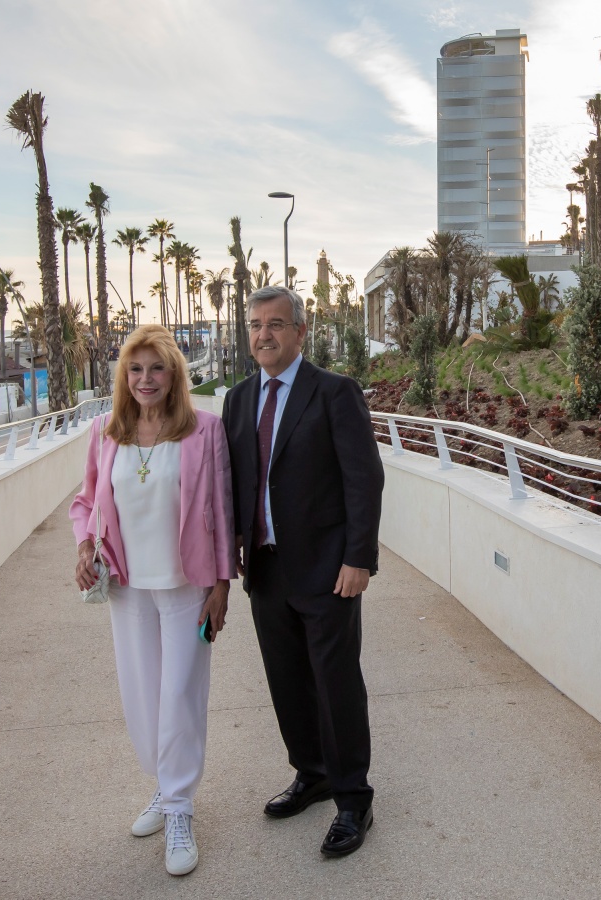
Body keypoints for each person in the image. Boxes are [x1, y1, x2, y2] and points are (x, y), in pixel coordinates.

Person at [221, 285, 384, 858]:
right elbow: (237, 481)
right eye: (255, 325)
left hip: (327, 570)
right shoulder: (238, 400)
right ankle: (311, 773)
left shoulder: (334, 392)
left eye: (275, 324)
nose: (263, 334)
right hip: (265, 568)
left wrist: (359, 557)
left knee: (336, 684)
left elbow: (364, 478)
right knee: (287, 681)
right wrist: (232, 546)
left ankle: (352, 798)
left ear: (299, 332)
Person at [71, 324, 235, 877]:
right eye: (135, 369)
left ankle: (182, 807)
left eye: (156, 369)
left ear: (174, 374)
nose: (145, 380)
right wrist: (86, 545)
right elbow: (86, 502)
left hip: (187, 585)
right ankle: (166, 790)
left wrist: (221, 584)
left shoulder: (204, 432)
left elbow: (223, 511)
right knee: (143, 696)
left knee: (180, 694)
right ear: (124, 376)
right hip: (128, 586)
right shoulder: (104, 433)